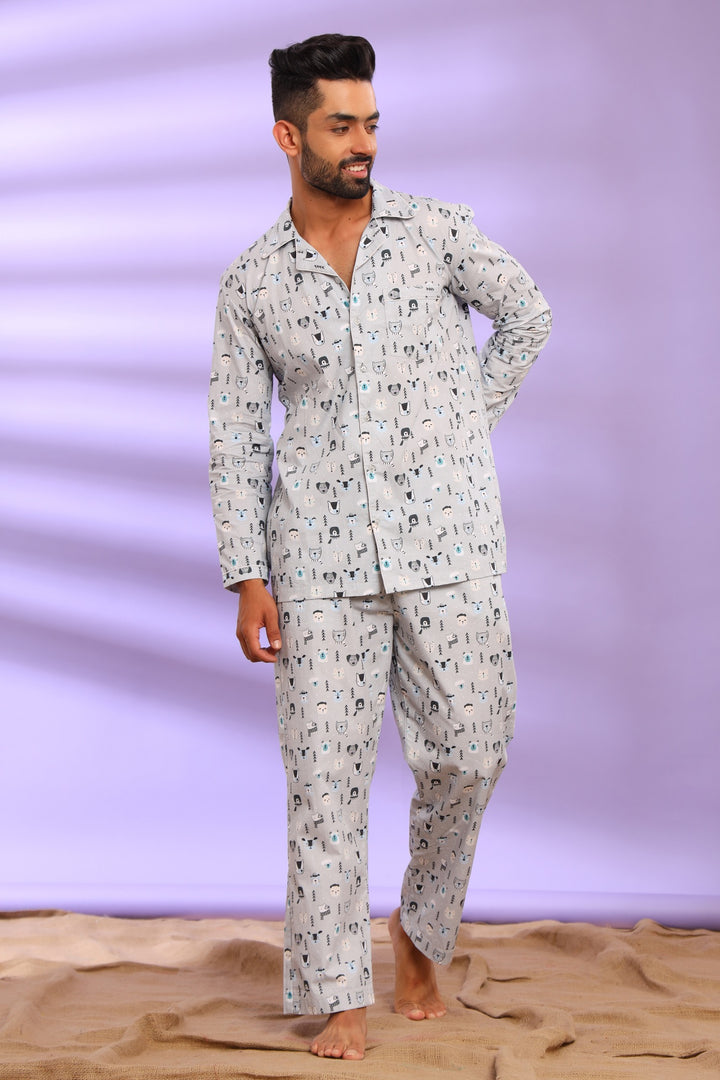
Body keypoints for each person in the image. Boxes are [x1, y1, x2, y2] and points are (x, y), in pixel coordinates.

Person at [208, 32, 551, 1061]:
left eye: (369, 124)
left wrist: (459, 427)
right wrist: (248, 574)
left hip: (452, 543)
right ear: (289, 137)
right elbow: (236, 435)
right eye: (339, 126)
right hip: (316, 563)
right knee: (325, 786)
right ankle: (338, 994)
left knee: (471, 752)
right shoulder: (252, 283)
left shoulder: (436, 232)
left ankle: (421, 927)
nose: (361, 143)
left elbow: (527, 316)